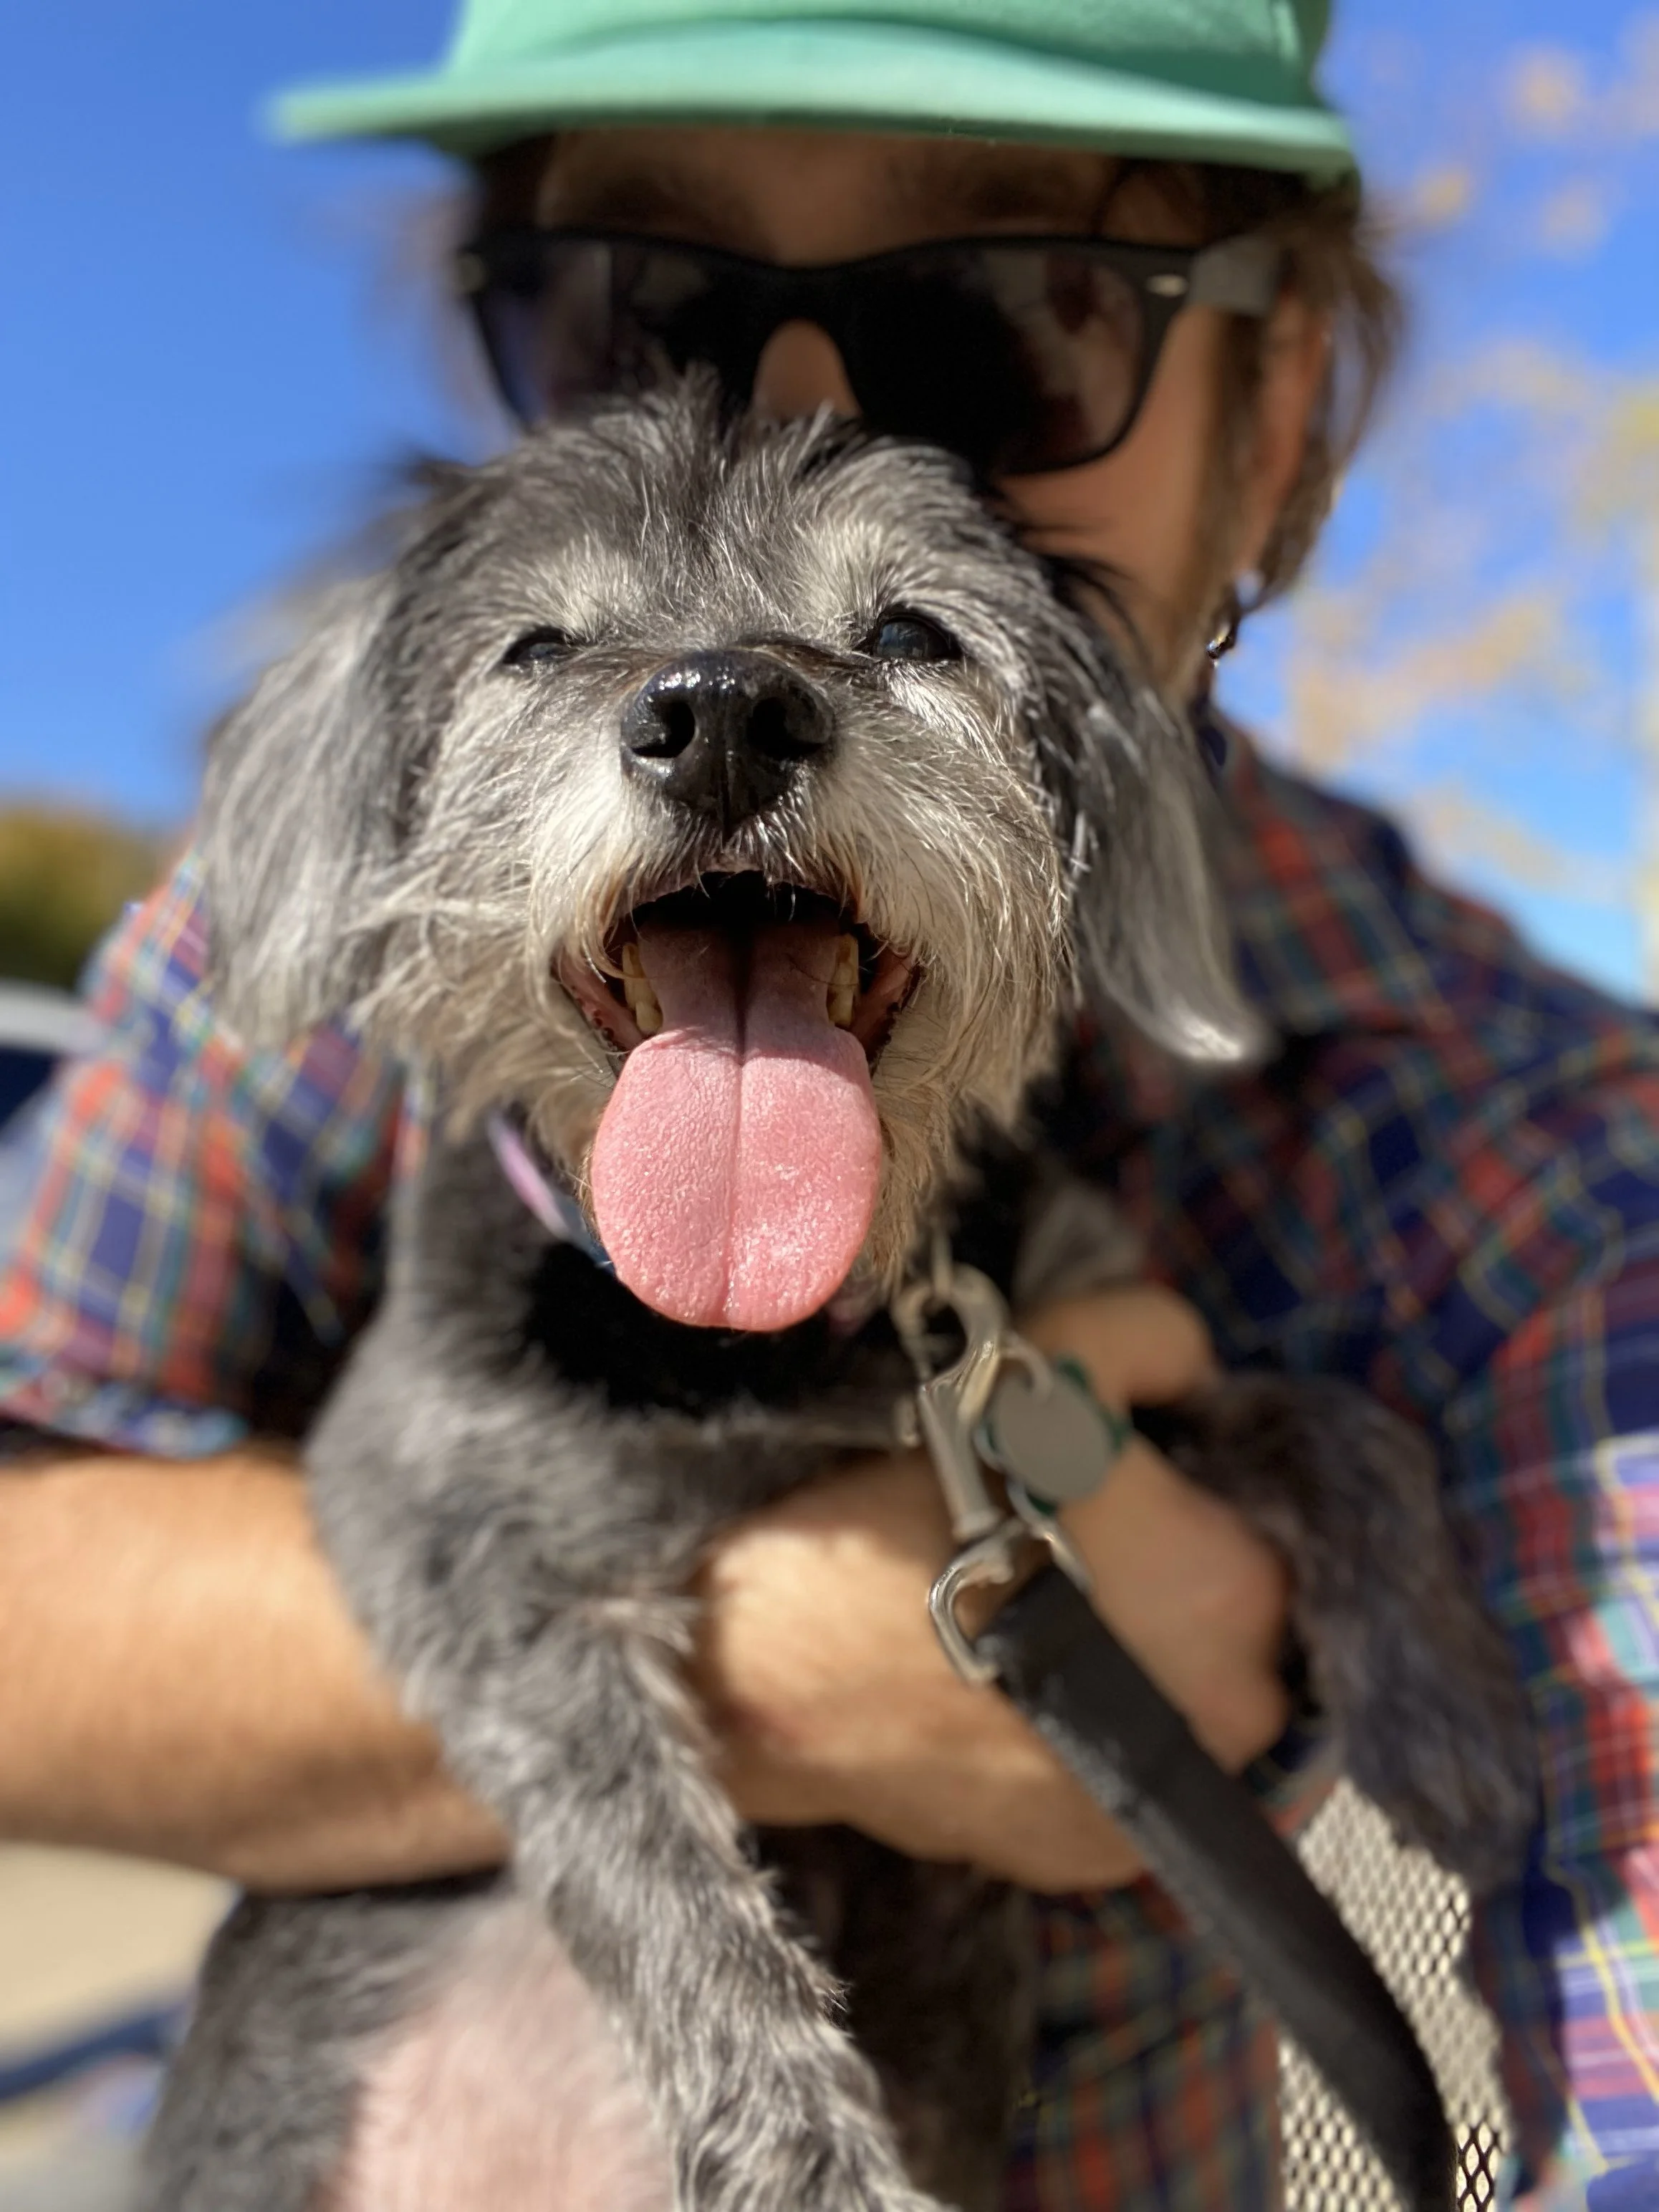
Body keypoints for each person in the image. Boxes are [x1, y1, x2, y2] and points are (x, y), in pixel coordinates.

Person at [1, 4, 1653, 2205]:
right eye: (639, 318)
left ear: (1276, 422)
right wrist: (834, 1659)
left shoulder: (1551, 1152)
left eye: (1003, 324)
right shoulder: (323, 908)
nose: (792, 434)